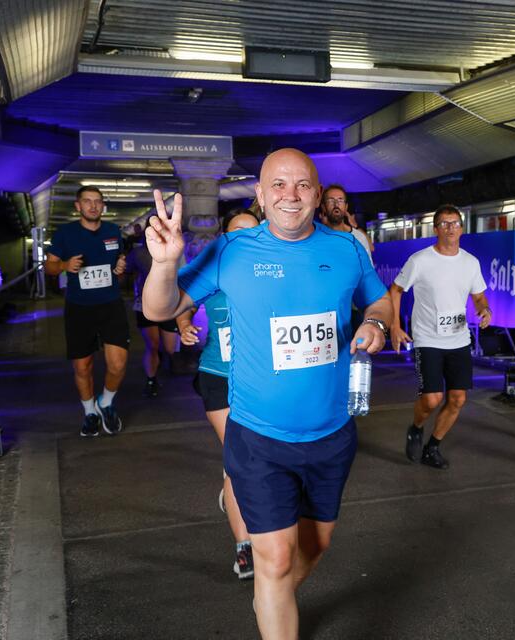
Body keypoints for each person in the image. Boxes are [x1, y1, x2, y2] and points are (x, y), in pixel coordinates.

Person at [142, 148, 392, 640]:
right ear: (259, 194)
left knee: (314, 547)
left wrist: (376, 321)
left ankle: (270, 599)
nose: (290, 195)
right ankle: (273, 599)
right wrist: (166, 264)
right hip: (258, 438)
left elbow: (378, 298)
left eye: (302, 185)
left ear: (318, 195)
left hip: (332, 435)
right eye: (278, 184)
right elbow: (159, 308)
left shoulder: (347, 250)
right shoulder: (229, 252)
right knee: (275, 560)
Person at [177, 208, 259, 580]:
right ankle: (245, 548)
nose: (245, 239)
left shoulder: (275, 273)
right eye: (236, 233)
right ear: (224, 239)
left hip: (263, 381)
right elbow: (180, 304)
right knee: (239, 458)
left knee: (258, 459)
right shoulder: (212, 272)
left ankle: (235, 493)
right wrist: (183, 324)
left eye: (253, 232)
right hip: (220, 377)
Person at [389, 205, 491, 470]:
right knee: (432, 399)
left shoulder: (470, 262)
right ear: (435, 229)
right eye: (445, 223)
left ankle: (432, 447)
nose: (450, 228)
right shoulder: (420, 260)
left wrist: (484, 309)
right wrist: (395, 325)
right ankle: (416, 427)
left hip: (458, 340)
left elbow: (478, 295)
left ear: (461, 228)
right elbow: (396, 290)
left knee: (457, 399)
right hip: (427, 339)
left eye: (455, 223)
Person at [44, 186, 129, 437]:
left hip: (111, 304)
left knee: (118, 364)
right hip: (79, 308)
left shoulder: (113, 231)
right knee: (83, 367)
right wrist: (63, 265)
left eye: (97, 201)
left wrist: (120, 266)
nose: (93, 206)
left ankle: (106, 403)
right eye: (87, 201)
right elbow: (49, 267)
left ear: (103, 206)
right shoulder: (65, 233)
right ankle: (90, 412)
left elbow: (118, 260)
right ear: (77, 206)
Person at [125, 216, 182, 397]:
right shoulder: (139, 253)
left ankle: (161, 358)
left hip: (170, 303)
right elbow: (126, 271)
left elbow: (185, 274)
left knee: (170, 347)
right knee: (153, 344)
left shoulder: (176, 248)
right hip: (144, 305)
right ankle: (151, 380)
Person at [319, 184, 373, 265]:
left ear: (346, 207)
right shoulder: (316, 237)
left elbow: (368, 271)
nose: (336, 204)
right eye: (331, 200)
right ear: (323, 207)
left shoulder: (358, 238)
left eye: (340, 200)